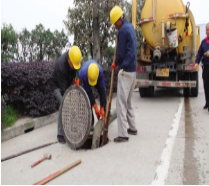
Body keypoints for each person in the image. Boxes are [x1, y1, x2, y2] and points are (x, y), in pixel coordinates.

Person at [110, 6, 137, 143]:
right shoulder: (130, 27)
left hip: (125, 70)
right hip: (133, 70)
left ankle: (123, 134)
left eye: (115, 23)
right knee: (128, 101)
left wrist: (115, 63)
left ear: (120, 19)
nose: (115, 26)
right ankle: (132, 127)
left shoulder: (122, 31)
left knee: (121, 103)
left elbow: (120, 54)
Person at [51, 46, 82, 144]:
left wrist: (77, 80)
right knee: (64, 103)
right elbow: (64, 90)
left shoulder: (74, 59)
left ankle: (70, 127)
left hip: (66, 82)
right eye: (73, 65)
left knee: (71, 102)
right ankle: (60, 134)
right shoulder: (61, 66)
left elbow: (76, 70)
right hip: (57, 86)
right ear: (69, 60)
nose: (74, 66)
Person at [79, 60, 106, 130]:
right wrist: (96, 107)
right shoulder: (83, 74)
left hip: (95, 77)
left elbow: (102, 91)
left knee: (103, 99)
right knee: (87, 100)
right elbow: (89, 92)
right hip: (86, 78)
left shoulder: (100, 73)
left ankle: (104, 119)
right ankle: (90, 123)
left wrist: (102, 107)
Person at [195, 23, 209, 112]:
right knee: (206, 86)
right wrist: (196, 62)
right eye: (207, 30)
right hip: (206, 67)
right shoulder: (204, 42)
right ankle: (207, 102)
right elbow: (200, 53)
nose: (208, 31)